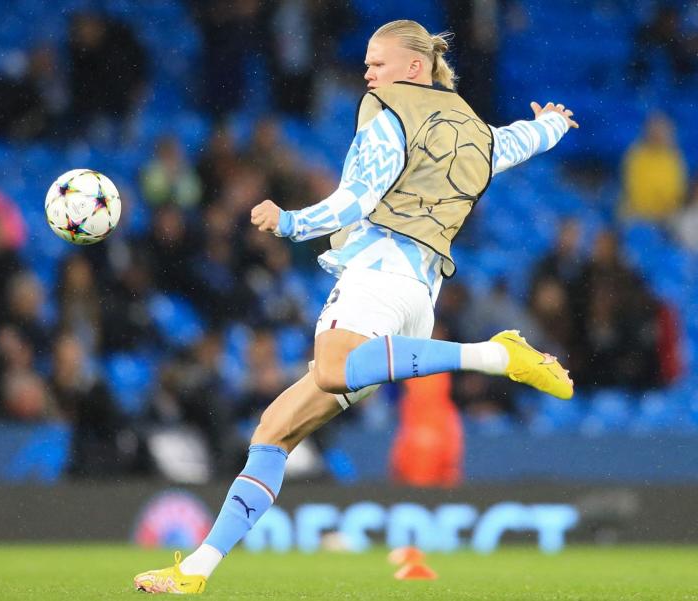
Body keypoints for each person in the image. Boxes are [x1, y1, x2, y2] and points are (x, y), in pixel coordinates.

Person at [134, 20, 577, 593]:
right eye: (367, 63)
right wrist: (552, 125)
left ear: (413, 69)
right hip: (418, 299)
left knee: (333, 367)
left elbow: (355, 199)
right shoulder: (475, 132)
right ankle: (197, 569)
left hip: (378, 274)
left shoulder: (389, 111)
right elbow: (519, 143)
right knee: (273, 432)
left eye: (378, 62)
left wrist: (290, 222)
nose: (367, 73)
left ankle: (493, 356)